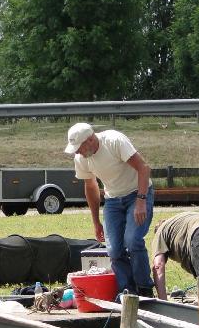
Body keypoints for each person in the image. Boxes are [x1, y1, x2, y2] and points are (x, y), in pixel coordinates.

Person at [65, 122, 155, 297]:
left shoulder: (114, 141)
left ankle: (145, 289)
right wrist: (96, 221)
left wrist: (141, 201)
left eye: (79, 148)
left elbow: (143, 168)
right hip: (113, 200)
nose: (77, 152)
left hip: (137, 193)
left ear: (90, 140)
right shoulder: (81, 159)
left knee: (133, 241)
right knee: (113, 249)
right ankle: (127, 291)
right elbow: (90, 187)